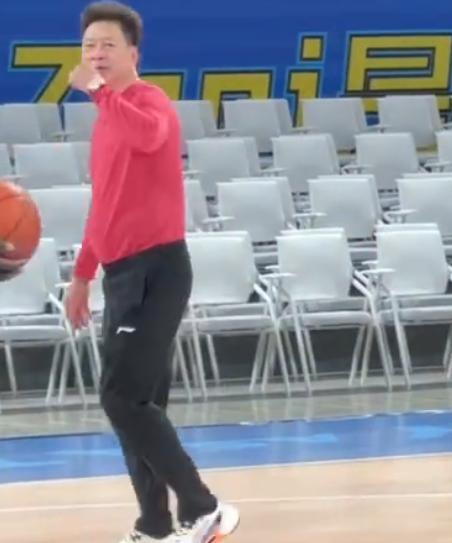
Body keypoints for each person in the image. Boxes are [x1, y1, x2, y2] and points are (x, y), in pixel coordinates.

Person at [64, 2, 239, 542]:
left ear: (133, 54)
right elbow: (103, 205)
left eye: (108, 45)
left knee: (122, 398)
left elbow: (147, 136)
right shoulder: (106, 121)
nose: (96, 54)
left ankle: (204, 508)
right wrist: (82, 275)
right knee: (138, 405)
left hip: (156, 269)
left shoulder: (149, 101)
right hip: (121, 274)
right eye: (89, 46)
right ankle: (155, 524)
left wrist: (99, 91)